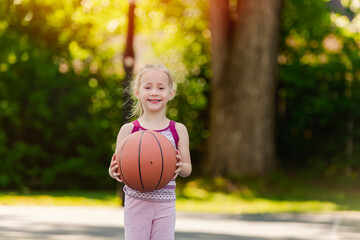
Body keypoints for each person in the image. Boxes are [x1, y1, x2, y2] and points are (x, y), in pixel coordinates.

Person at [108, 64, 192, 240]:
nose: (154, 92)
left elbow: (187, 168)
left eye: (161, 87)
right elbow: (115, 167)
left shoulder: (178, 129)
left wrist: (179, 167)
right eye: (148, 87)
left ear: (171, 93)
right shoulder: (128, 130)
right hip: (136, 201)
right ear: (137, 92)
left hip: (166, 203)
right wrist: (115, 171)